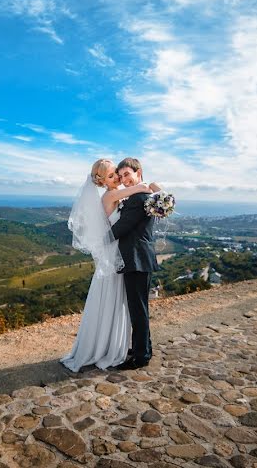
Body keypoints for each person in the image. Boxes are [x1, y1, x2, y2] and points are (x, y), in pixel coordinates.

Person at [61, 159, 159, 372]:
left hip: (129, 259)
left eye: (121, 174)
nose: (119, 179)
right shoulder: (113, 195)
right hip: (119, 259)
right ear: (103, 181)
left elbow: (136, 209)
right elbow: (141, 189)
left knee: (134, 308)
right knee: (127, 306)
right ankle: (133, 349)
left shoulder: (132, 197)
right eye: (114, 175)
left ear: (137, 172)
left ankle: (139, 352)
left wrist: (155, 189)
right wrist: (150, 186)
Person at [110, 157, 159, 370]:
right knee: (140, 308)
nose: (124, 180)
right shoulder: (143, 195)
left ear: (139, 173)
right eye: (121, 177)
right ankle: (143, 347)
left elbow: (121, 227)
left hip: (136, 259)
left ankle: (141, 356)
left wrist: (98, 240)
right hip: (140, 258)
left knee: (137, 310)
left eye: (127, 174)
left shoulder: (138, 198)